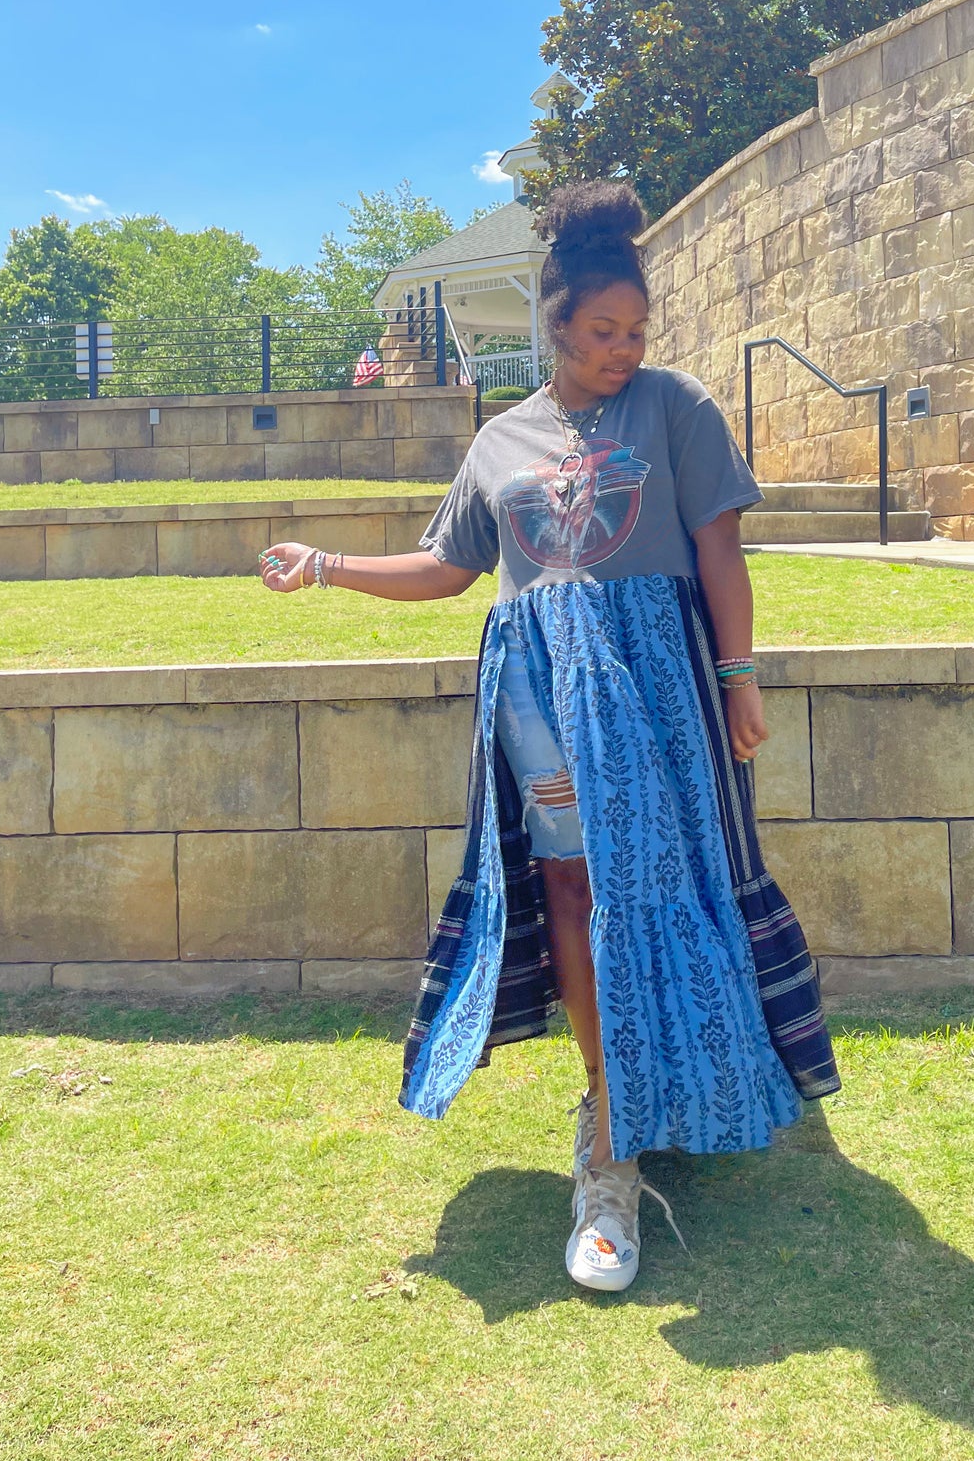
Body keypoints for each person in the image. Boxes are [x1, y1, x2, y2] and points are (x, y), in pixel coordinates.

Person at [258, 180, 839, 1293]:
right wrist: (325, 565)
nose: (623, 349)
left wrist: (738, 675)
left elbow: (720, 551)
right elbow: (450, 567)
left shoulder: (675, 407)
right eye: (602, 330)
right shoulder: (499, 440)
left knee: (671, 878)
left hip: (660, 681)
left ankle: (677, 1081)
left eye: (636, 331)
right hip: (536, 690)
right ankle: (608, 1125)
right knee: (572, 887)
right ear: (555, 325)